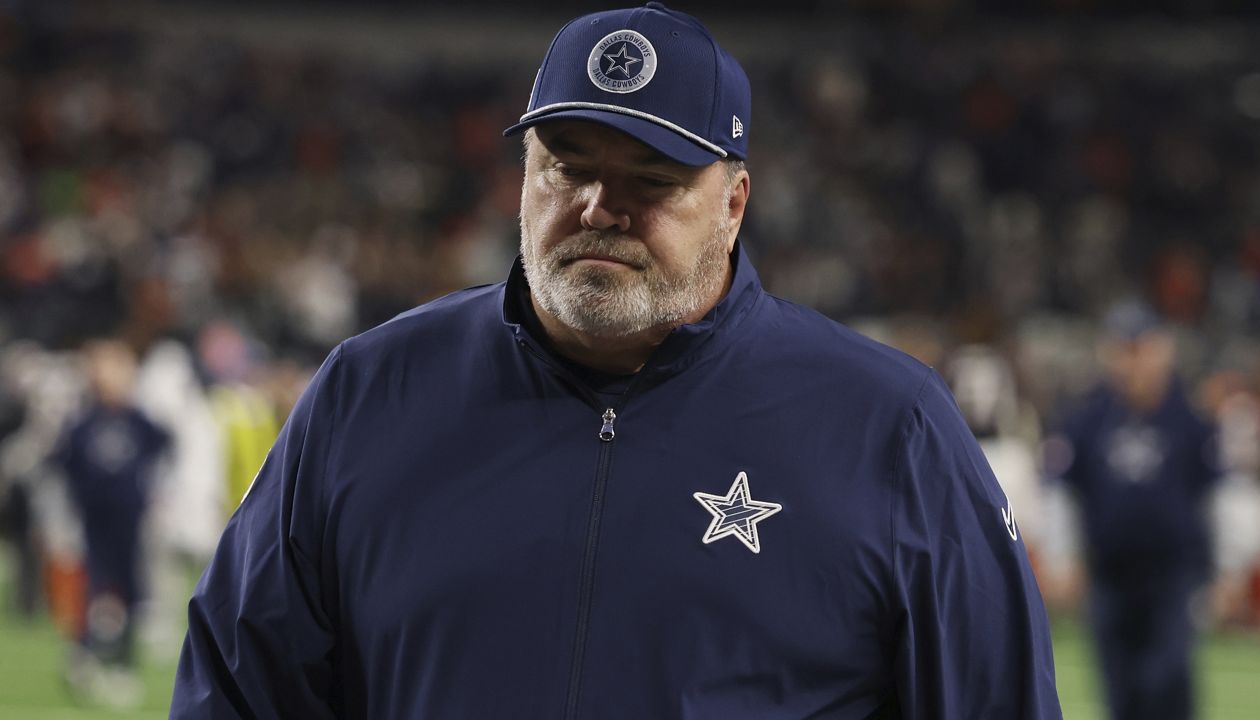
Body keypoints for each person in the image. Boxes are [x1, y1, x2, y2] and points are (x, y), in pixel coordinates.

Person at [171, 4, 1061, 717]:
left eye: (653, 179)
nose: (599, 207)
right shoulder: (371, 391)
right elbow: (238, 690)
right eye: (566, 167)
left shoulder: (887, 426)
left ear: (734, 204)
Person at [1046, 301, 1219, 720]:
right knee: (1120, 691)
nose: (1132, 362)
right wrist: (1064, 558)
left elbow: (1215, 496)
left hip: (1173, 575)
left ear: (1163, 350)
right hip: (1110, 575)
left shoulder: (1190, 417)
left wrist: (1225, 568)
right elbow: (1062, 492)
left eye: (1141, 348)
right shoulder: (1086, 418)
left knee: (1168, 682)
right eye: (1123, 349)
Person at [57, 339, 169, 707]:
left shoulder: (138, 420)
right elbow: (65, 462)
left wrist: (151, 492)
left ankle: (124, 663)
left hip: (130, 521)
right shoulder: (84, 421)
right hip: (93, 522)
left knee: (130, 590)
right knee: (93, 586)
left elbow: (164, 446)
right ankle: (84, 653)